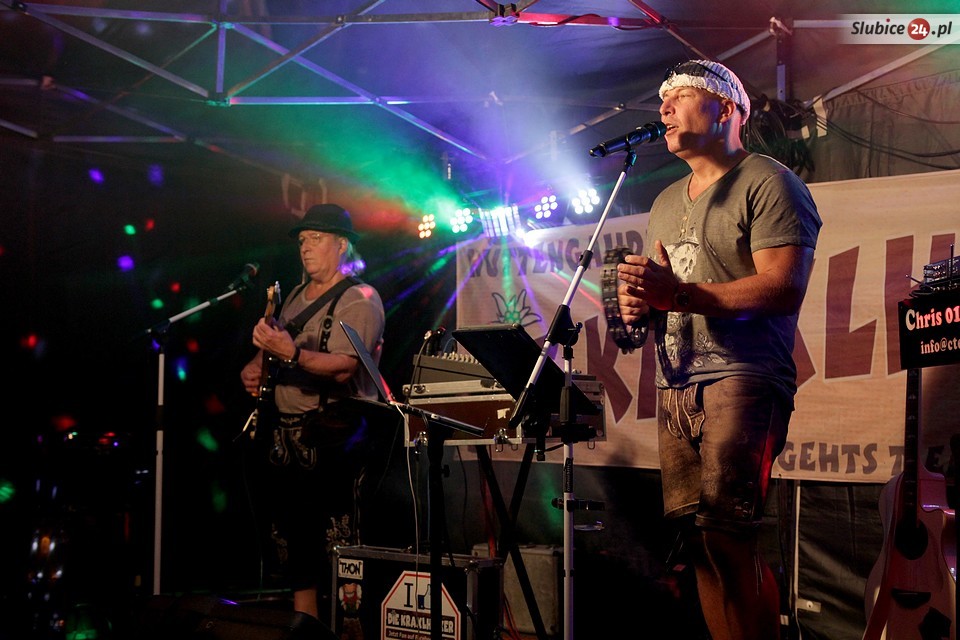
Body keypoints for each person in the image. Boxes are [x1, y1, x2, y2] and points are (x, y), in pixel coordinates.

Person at [617, 60, 822, 640]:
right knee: (700, 545)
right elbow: (667, 294)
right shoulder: (664, 200)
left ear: (726, 109)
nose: (664, 109)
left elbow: (783, 287)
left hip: (743, 377)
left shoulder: (769, 181)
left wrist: (677, 294)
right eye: (663, 101)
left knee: (728, 536)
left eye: (680, 97)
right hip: (675, 384)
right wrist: (641, 305)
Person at [240, 203, 385, 621]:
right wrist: (256, 366)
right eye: (303, 240)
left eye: (316, 239)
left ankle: (349, 628)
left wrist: (292, 354)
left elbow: (344, 367)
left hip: (335, 437)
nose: (305, 247)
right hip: (286, 439)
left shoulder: (360, 298)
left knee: (339, 544)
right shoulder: (293, 297)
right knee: (296, 545)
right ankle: (305, 629)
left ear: (342, 245)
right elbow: (273, 349)